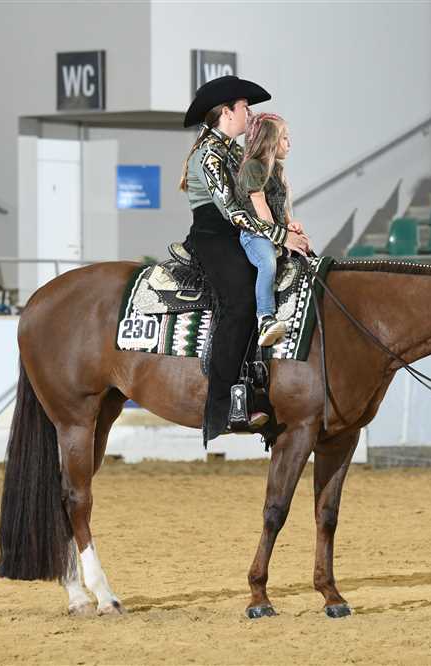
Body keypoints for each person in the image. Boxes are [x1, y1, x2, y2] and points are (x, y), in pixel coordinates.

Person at [179, 76, 310, 442]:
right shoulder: (208, 154)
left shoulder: (235, 152)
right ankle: (223, 405)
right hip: (214, 236)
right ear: (226, 112)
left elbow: (257, 198)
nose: (248, 114)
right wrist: (281, 236)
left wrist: (285, 225)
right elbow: (232, 211)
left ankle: (263, 384)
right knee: (239, 300)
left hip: (243, 232)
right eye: (244, 107)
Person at [236, 112, 308, 347]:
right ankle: (265, 317)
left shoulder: (276, 169)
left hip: (276, 232)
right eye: (284, 138)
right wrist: (281, 236)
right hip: (256, 235)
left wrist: (290, 225)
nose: (289, 143)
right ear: (270, 141)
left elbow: (280, 206)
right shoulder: (253, 168)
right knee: (267, 262)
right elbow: (262, 209)